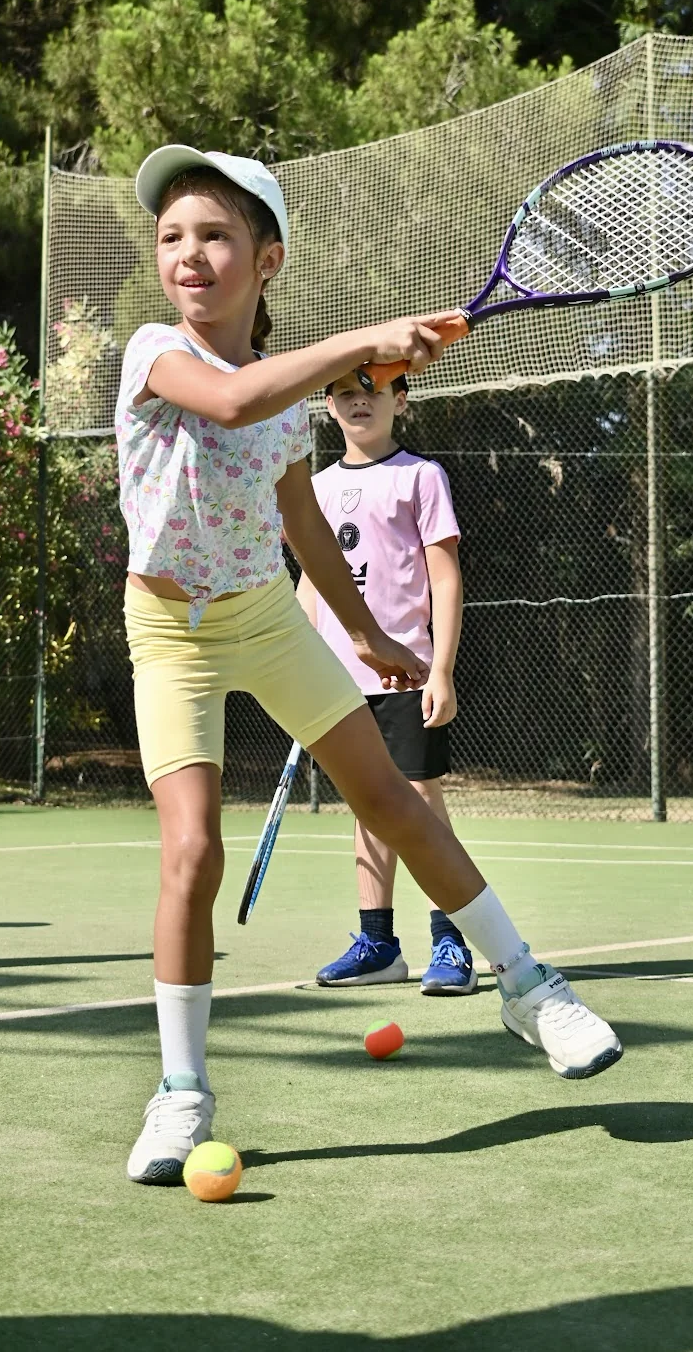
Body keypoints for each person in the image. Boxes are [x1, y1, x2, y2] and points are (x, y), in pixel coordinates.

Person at [116, 143, 624, 1187]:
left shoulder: (292, 400)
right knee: (191, 852)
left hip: (265, 616)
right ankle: (180, 1092)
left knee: (392, 798)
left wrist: (362, 633)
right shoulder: (154, 352)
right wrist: (366, 341)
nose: (188, 253)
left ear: (267, 259)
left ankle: (529, 986)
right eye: (172, 236)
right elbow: (229, 401)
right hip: (168, 631)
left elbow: (299, 518)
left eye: (215, 234)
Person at [299, 372, 475, 994]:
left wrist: (442, 669)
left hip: (406, 672)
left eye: (372, 390)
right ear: (328, 405)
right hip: (336, 681)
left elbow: (444, 578)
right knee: (367, 802)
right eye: (345, 391)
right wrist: (300, 666)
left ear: (399, 400)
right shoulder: (316, 489)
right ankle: (377, 944)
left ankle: (451, 940)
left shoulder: (420, 477)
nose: (359, 400)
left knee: (419, 798)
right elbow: (311, 584)